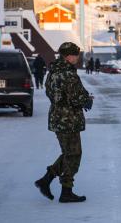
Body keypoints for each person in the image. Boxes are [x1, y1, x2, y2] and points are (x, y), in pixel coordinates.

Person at [35, 42, 93, 203]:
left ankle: (46, 180)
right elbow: (75, 97)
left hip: (58, 117)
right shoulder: (67, 73)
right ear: (69, 56)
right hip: (68, 120)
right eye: (76, 55)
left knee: (69, 153)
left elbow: (52, 94)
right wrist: (86, 100)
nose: (78, 58)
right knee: (74, 154)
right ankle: (65, 190)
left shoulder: (53, 71)